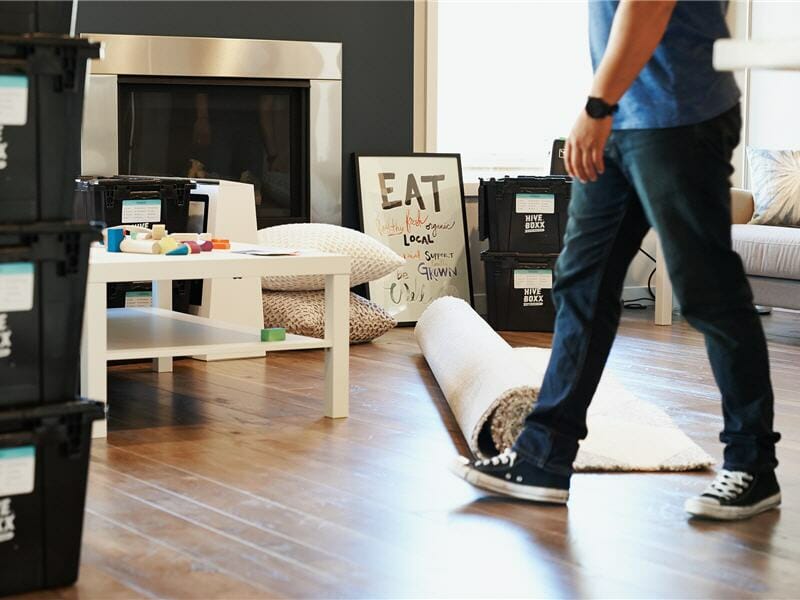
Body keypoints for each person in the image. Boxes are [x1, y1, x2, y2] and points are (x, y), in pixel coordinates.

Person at [451, 0, 781, 521]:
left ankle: (752, 465)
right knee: (581, 282)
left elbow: (648, 5)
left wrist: (596, 107)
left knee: (708, 293)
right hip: (624, 121)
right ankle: (544, 457)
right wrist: (606, 110)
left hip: (678, 117)